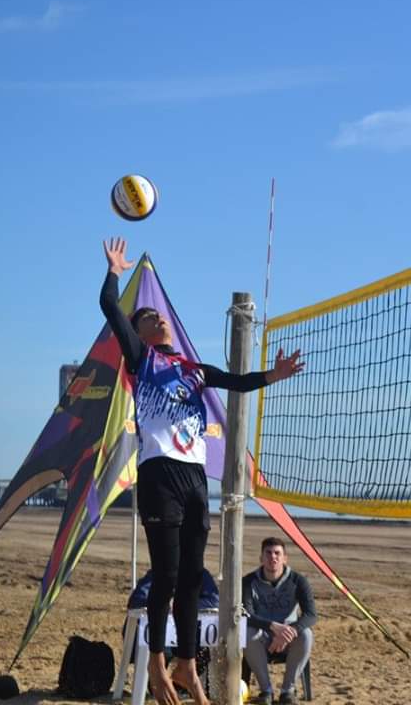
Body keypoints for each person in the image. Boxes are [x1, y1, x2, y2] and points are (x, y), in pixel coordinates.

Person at [100, 238, 304, 705]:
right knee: (167, 574)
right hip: (159, 474)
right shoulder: (142, 360)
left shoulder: (193, 369)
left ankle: (187, 664)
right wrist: (114, 270)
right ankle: (156, 661)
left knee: (192, 577)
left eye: (161, 317)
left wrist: (273, 376)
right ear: (139, 333)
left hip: (194, 479)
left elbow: (238, 382)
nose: (160, 319)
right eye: (150, 318)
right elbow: (109, 305)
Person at [242, 537, 316, 705]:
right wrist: (272, 627)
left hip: (288, 638)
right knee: (246, 632)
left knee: (306, 634)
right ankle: (266, 691)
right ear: (261, 558)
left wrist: (290, 631)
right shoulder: (248, 582)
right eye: (268, 553)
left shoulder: (298, 581)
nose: (273, 557)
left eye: (277, 553)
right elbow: (246, 614)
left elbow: (311, 614)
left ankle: (287, 691)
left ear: (285, 558)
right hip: (262, 638)